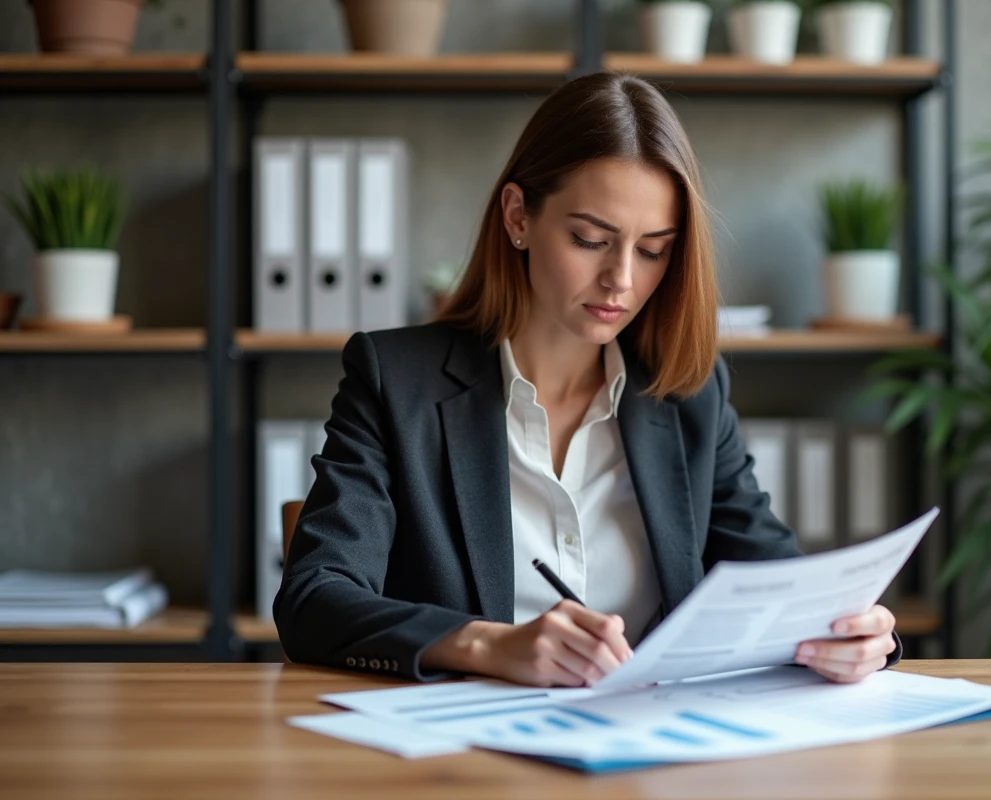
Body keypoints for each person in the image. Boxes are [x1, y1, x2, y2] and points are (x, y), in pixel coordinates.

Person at [274, 71, 900, 688]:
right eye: (590, 239)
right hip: (467, 762)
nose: (621, 279)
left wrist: (858, 634)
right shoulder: (396, 381)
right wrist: (488, 645)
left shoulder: (688, 394)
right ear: (518, 216)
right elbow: (314, 598)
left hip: (656, 758)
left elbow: (779, 586)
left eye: (653, 249)